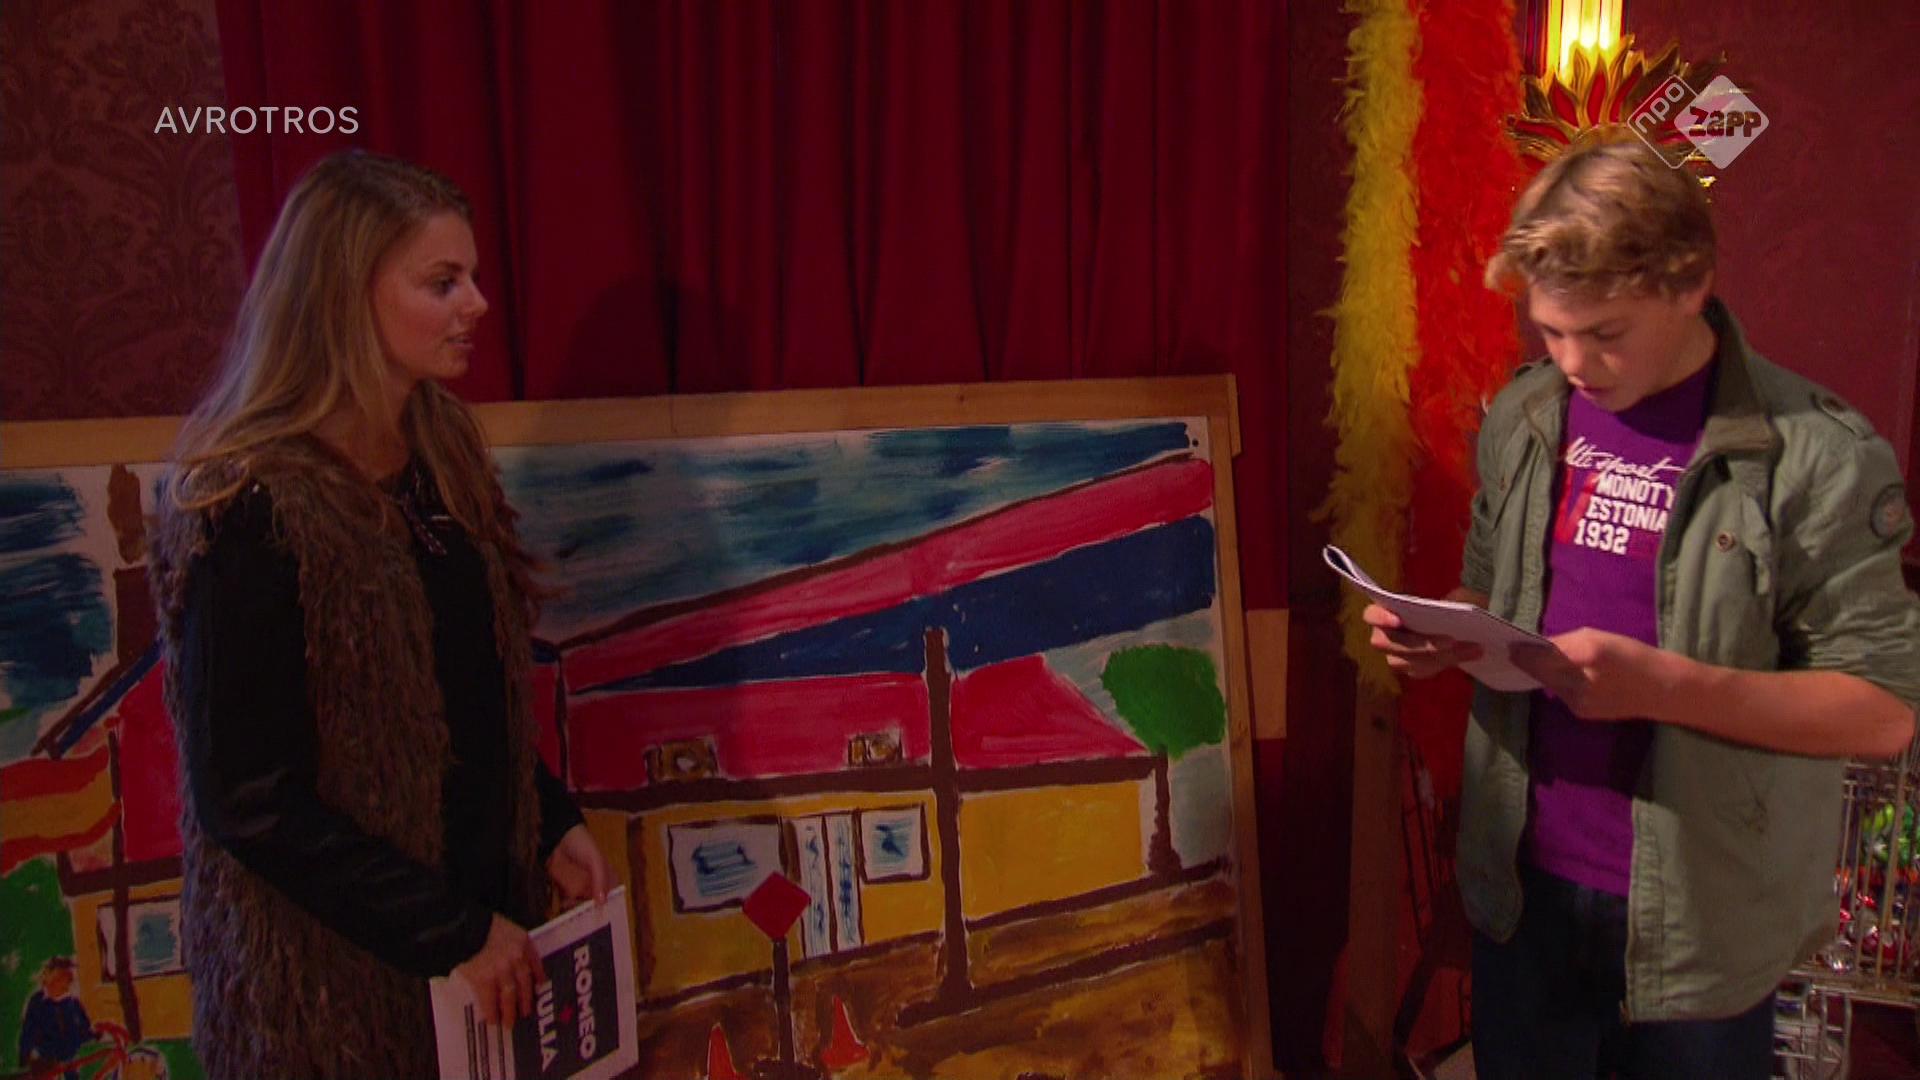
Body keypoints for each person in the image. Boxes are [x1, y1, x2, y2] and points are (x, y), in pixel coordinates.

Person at [1365, 132, 1920, 1079]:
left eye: (1607, 333)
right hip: (1523, 892)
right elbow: (1491, 590)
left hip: (1701, 923)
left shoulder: (1818, 455)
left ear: (1691, 283)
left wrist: (1663, 687)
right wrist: (1441, 630)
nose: (1574, 361)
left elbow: (1881, 713)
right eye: (1550, 331)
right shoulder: (1525, 415)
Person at [151, 150, 613, 1079]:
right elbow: (251, 799)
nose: (478, 304)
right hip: (328, 998)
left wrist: (549, 821)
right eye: (442, 282)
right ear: (344, 295)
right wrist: (448, 930)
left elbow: (463, 697)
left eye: (471, 277)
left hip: (471, 970)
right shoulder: (251, 505)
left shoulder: (442, 454)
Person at [17, 957, 94, 1080]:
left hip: (69, 1063)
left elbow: (86, 1030)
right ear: (49, 978)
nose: (67, 984)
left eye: (70, 979)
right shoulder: (37, 1002)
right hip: (44, 1063)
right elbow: (27, 1033)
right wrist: (25, 1059)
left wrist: (96, 1035)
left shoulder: (73, 1003)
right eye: (62, 978)